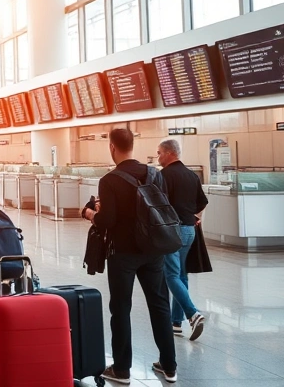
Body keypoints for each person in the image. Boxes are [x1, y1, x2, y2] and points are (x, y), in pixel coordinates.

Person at [82, 128, 177, 384]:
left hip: (122, 253)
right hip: (154, 250)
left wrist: (91, 214)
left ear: (112, 147)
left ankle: (122, 369)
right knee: (160, 306)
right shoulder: (154, 174)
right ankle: (169, 366)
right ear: (133, 145)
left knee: (121, 308)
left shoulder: (110, 180)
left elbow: (107, 220)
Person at [157, 139, 208, 341]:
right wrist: (193, 217)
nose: (158, 157)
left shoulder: (163, 176)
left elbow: (156, 204)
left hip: (171, 231)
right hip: (189, 230)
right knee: (181, 274)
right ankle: (176, 323)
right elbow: (202, 201)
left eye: (160, 153)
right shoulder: (191, 175)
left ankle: (192, 313)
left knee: (171, 275)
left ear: (170, 153)